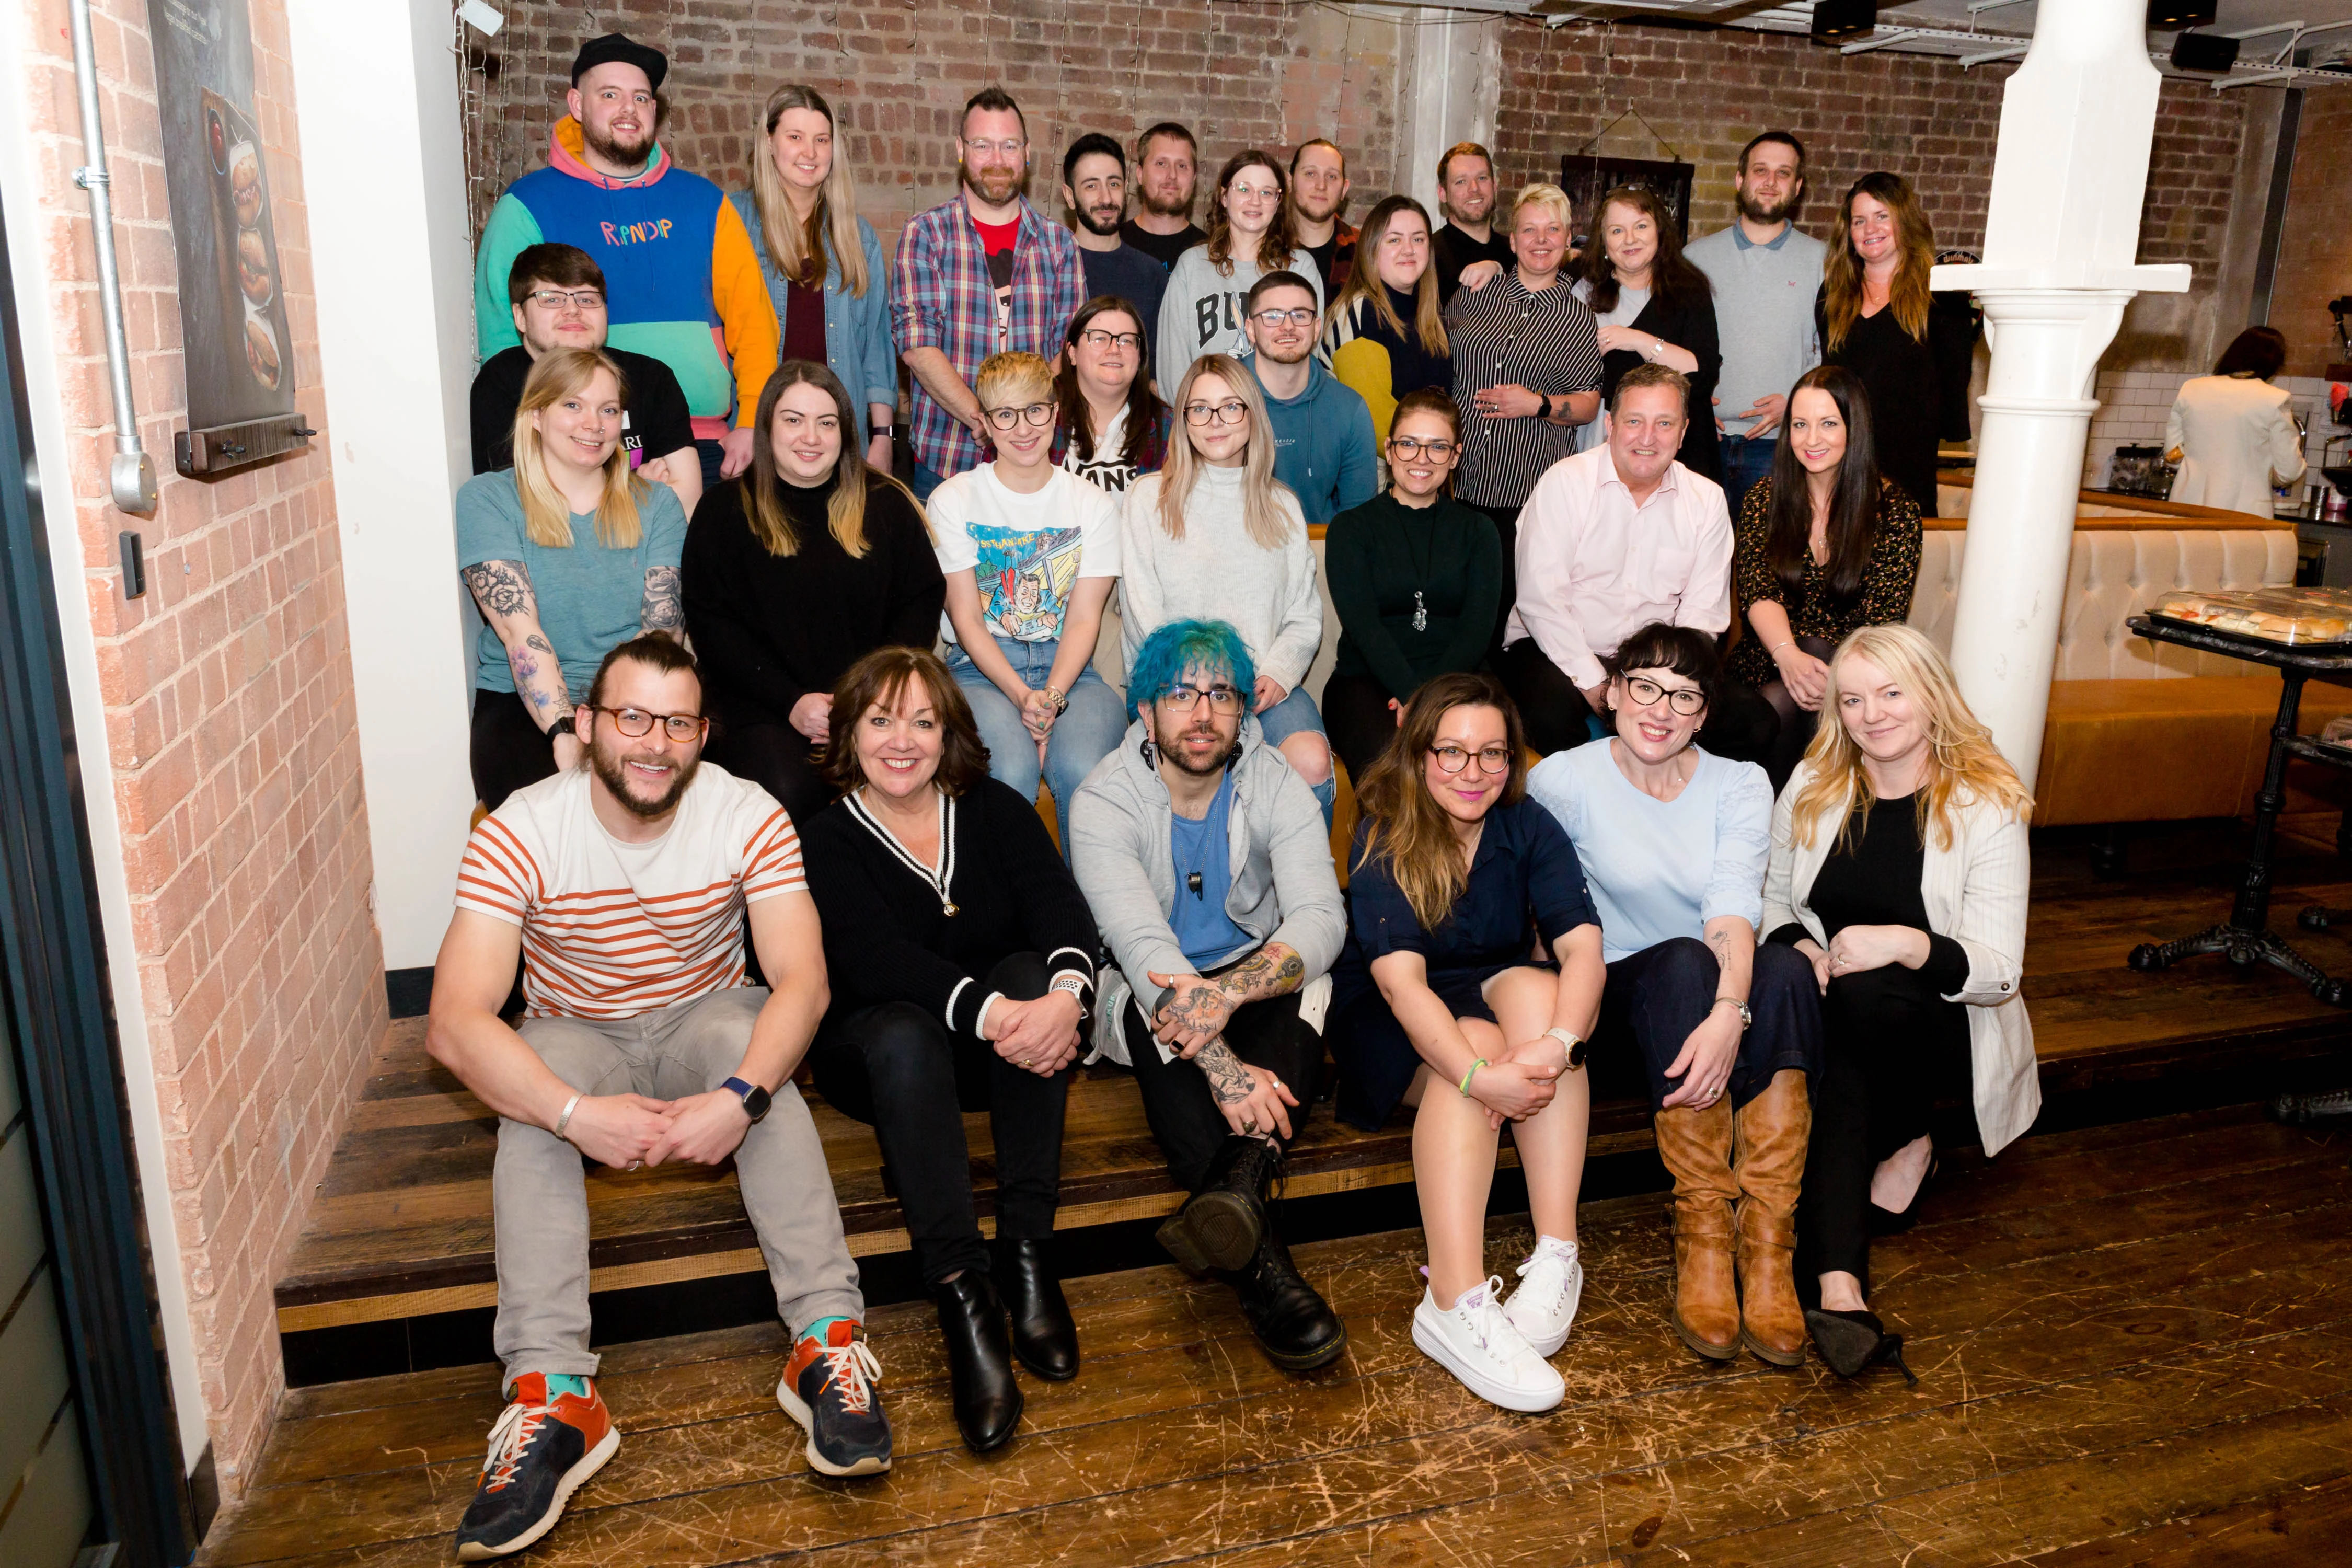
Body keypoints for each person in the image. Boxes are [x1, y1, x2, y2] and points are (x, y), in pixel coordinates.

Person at [431, 635, 887, 1562]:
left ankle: (826, 1342)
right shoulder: (521, 826)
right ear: (591, 726)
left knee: (754, 1059)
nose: (655, 743)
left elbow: (802, 982)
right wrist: (573, 1113)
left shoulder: (746, 812)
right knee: (529, 1112)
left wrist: (740, 1099)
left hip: (704, 1014)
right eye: (633, 717)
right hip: (575, 1029)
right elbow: (452, 1024)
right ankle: (555, 1395)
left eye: (677, 723)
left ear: (702, 734)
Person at [800, 648, 1098, 1454]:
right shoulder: (826, 838)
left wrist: (1065, 1000)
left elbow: (1060, 908)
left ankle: (1028, 1251)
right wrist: (1002, 1014)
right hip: (883, 1063)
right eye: (882, 720)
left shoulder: (996, 808)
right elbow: (872, 960)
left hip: (993, 1053)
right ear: (850, 734)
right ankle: (964, 1293)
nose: (904, 740)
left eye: (924, 722)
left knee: (1038, 972)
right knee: (903, 1026)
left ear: (949, 733)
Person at [1527, 623, 1823, 1368]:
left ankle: (1765, 1248)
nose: (1661, 708)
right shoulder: (1562, 779)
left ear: (1703, 713)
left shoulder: (1741, 783)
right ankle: (1702, 1234)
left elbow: (1733, 908)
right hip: (1624, 1003)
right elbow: (1552, 920)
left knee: (1783, 968)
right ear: (1615, 691)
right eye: (1646, 687)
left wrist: (1730, 1014)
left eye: (1684, 695)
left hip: (1716, 995)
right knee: (1687, 962)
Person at [1068, 618, 1349, 1372]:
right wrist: (1225, 1066)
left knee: (1310, 974)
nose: (1203, 712)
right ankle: (1268, 1274)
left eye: (1221, 693)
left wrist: (1228, 997)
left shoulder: (1274, 781)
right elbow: (1144, 950)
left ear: (1243, 711)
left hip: (1243, 977)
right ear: (1145, 712)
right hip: (1145, 987)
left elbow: (1322, 917)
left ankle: (1233, 1197)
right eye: (1181, 694)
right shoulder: (1102, 800)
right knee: (1155, 1010)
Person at [1765, 623, 2035, 1381]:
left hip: (1949, 1019)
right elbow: (1770, 896)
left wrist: (1904, 943)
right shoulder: (1816, 784)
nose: (1871, 714)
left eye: (1891, 694)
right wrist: (1801, 944)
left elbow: (1999, 969)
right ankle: (1899, 1160)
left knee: (1873, 998)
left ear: (1931, 696)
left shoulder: (1986, 802)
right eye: (1852, 699)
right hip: (1842, 1007)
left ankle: (1837, 1275)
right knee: (1854, 1017)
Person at [1328, 674, 1604, 1411]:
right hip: (1392, 1011)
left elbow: (1581, 950)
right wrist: (1482, 1079)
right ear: (1418, 755)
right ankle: (1451, 1300)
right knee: (1472, 1048)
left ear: (1511, 762)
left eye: (1491, 754)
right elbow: (1403, 987)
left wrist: (1560, 1045)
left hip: (1491, 981)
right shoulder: (1385, 828)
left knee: (1547, 1004)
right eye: (1451, 752)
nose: (1472, 772)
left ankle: (1556, 1253)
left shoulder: (1529, 826)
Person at [474, 34, 778, 491]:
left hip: (707, 446)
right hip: (582, 451)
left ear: (655, 110)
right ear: (577, 104)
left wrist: (753, 421)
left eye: (641, 97)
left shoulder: (705, 202)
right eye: (610, 94)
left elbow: (754, 323)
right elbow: (503, 341)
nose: (628, 109)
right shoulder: (526, 206)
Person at [682, 362, 945, 824]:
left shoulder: (887, 504)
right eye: (793, 420)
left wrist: (867, 702)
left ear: (844, 432)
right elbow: (713, 627)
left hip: (874, 705)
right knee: (786, 789)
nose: (811, 437)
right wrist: (791, 703)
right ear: (767, 427)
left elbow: (919, 604)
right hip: (761, 709)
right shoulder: (723, 511)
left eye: (826, 423)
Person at [1496, 363, 1765, 763]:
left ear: (1684, 431)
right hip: (1554, 648)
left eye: (1664, 424)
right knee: (1550, 716)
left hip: (1658, 663)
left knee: (1755, 721)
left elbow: (1702, 619)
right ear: (1610, 424)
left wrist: (1661, 689)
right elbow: (1542, 603)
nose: (1647, 438)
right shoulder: (1565, 483)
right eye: (1634, 421)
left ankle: (1675, 814)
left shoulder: (1706, 501)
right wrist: (1601, 689)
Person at [458, 348, 688, 812]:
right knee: (554, 820)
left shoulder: (659, 504)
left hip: (636, 696)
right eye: (572, 405)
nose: (595, 424)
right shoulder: (488, 499)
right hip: (523, 705)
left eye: (608, 410)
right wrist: (566, 730)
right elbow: (519, 631)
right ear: (536, 414)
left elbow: (662, 632)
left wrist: (622, 722)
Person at [1118, 354, 1334, 820]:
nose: (1215, 422)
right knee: (1196, 772)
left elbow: (1304, 614)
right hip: (1176, 689)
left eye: (1231, 407)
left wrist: (1277, 672)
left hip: (1262, 688)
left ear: (1252, 415)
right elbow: (1142, 614)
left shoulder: (1283, 506)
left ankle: (1301, 893)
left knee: (1313, 761)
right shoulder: (1146, 499)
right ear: (1184, 421)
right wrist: (1207, 692)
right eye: (1200, 409)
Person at [928, 351, 1127, 840]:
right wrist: (1021, 697)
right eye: (1005, 414)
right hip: (980, 670)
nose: (1023, 428)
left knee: (1086, 774)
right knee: (1010, 774)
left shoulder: (1093, 505)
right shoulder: (953, 499)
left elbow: (1084, 620)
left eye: (1035, 410)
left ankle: (1085, 914)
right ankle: (1011, 914)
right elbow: (968, 619)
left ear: (1055, 412)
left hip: (1073, 673)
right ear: (985, 422)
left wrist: (1051, 698)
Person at [1730, 366, 1923, 791]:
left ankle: (1788, 831)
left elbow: (1881, 621)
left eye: (1828, 424)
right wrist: (1788, 656)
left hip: (1855, 668)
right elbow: (1758, 590)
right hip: (1769, 658)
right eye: (1800, 425)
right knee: (1782, 693)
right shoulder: (1765, 498)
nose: (1811, 439)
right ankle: (1806, 830)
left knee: (1811, 684)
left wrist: (1828, 674)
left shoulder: (1895, 512)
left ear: (1855, 428)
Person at [893, 87, 1087, 501]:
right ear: (961, 150)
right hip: (946, 461)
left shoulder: (1059, 244)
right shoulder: (926, 234)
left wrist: (1020, 423)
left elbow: (1070, 348)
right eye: (982, 145)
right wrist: (985, 419)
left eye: (1009, 145)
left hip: (1034, 463)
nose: (997, 160)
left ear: (1027, 153)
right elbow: (917, 344)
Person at [1445, 182, 1603, 646]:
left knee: (1506, 610)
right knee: (1455, 601)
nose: (1541, 239)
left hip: (1528, 488)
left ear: (1568, 238)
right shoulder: (1475, 291)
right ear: (1511, 241)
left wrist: (1537, 403)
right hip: (1460, 478)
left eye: (1552, 229)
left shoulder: (1577, 318)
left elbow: (1590, 403)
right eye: (1529, 230)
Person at [1322, 389, 1501, 786]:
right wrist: (1412, 694)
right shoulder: (1351, 529)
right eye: (1409, 444)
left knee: (1470, 767)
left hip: (1461, 677)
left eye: (1437, 448)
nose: (1421, 459)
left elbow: (1477, 630)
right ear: (1389, 450)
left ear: (1455, 457)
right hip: (1367, 680)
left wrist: (1428, 700)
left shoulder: (1479, 531)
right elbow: (1364, 627)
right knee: (1392, 778)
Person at [731, 84, 897, 473]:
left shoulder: (857, 236)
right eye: (795, 137)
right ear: (769, 142)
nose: (810, 153)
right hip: (756, 437)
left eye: (822, 140)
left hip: (838, 439)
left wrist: (883, 438)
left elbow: (875, 345)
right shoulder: (732, 222)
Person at [469, 244, 700, 518]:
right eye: (551, 299)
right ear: (520, 316)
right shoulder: (501, 382)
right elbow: (524, 504)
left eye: (587, 299)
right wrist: (642, 490)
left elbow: (687, 500)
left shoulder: (651, 376)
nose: (573, 310)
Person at [1818, 171, 1977, 518]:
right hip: (1839, 468)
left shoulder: (1942, 295)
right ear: (1849, 233)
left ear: (1904, 221)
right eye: (1859, 221)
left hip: (1907, 471)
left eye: (1882, 216)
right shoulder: (1832, 296)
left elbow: (1954, 379)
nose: (1869, 229)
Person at [1687, 131, 1826, 511]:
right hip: (1701, 441)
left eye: (1783, 174)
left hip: (1780, 448)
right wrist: (1688, 399)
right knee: (1694, 567)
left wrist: (1799, 404)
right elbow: (1671, 342)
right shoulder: (1694, 259)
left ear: (1797, 187)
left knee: (1767, 568)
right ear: (1740, 180)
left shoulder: (1824, 262)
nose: (1770, 182)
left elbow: (1832, 353)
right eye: (1760, 170)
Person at [1573, 186, 1723, 486]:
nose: (1630, 239)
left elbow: (1702, 372)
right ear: (1603, 240)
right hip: (1604, 444)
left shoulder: (1689, 289)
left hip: (1679, 452)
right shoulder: (1581, 289)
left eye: (1641, 226)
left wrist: (1637, 340)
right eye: (1617, 230)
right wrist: (1493, 265)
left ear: (1659, 231)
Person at [1157, 151, 1324, 390]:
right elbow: (1173, 367)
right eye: (1244, 189)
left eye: (1267, 193)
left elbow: (1307, 361)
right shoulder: (1191, 266)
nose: (1255, 201)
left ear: (1278, 203)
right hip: (1206, 418)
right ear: (1225, 196)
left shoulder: (1301, 269)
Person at [1242, 271, 1378, 527]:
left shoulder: (1349, 409)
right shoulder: (1221, 399)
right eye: (1272, 316)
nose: (1288, 326)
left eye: (1300, 315)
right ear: (1251, 329)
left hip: (1319, 552)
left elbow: (1358, 520)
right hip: (1233, 557)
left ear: (1317, 328)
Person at [1320, 194, 1454, 444]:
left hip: (1422, 464)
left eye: (1418, 239)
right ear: (1371, 248)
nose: (1409, 249)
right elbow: (1375, 424)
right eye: (1394, 240)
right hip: (1373, 473)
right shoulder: (1357, 313)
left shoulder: (1430, 316)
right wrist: (1438, 449)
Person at [2166, 326, 2308, 517]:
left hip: (2186, 507)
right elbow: (2289, 471)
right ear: (2273, 363)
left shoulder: (2191, 389)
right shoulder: (2275, 399)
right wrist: (2268, 473)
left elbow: (2172, 457)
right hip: (2244, 512)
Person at [1051, 295, 1173, 494]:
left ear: (1140, 357)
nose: (1114, 349)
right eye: (1100, 338)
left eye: (1126, 341)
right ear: (1072, 353)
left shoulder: (1168, 429)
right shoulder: (1037, 418)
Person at [1061, 133, 1170, 351]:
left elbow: (1157, 370)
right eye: (1091, 186)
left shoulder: (1152, 274)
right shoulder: (1055, 268)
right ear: (1070, 197)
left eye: (1114, 184)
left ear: (1126, 188)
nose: (1107, 199)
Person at [1432, 142, 1514, 308]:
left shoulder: (1516, 252)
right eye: (1461, 181)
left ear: (1494, 186)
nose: (1474, 188)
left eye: (1482, 178)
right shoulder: (1428, 256)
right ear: (1443, 193)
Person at [1120, 122, 1206, 269]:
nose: (1172, 175)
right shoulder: (1114, 244)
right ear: (1140, 174)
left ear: (1194, 178)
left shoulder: (1210, 253)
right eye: (1161, 163)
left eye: (1182, 166)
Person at [1289, 138, 1357, 298]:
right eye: (1310, 174)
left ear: (1344, 189)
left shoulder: (1364, 253)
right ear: (1290, 182)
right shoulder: (1265, 247)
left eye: (1332, 177)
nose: (1321, 185)